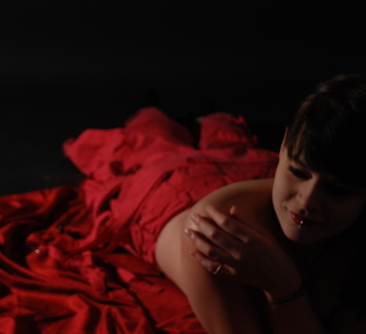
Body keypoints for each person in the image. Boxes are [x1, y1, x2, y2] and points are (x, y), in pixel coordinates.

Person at [154, 74, 366, 333]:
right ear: (283, 146)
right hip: (174, 201)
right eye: (298, 172)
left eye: (338, 190)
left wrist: (284, 284)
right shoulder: (211, 227)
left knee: (227, 144)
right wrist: (284, 287)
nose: (307, 201)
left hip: (253, 179)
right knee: (155, 144)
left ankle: (205, 118)